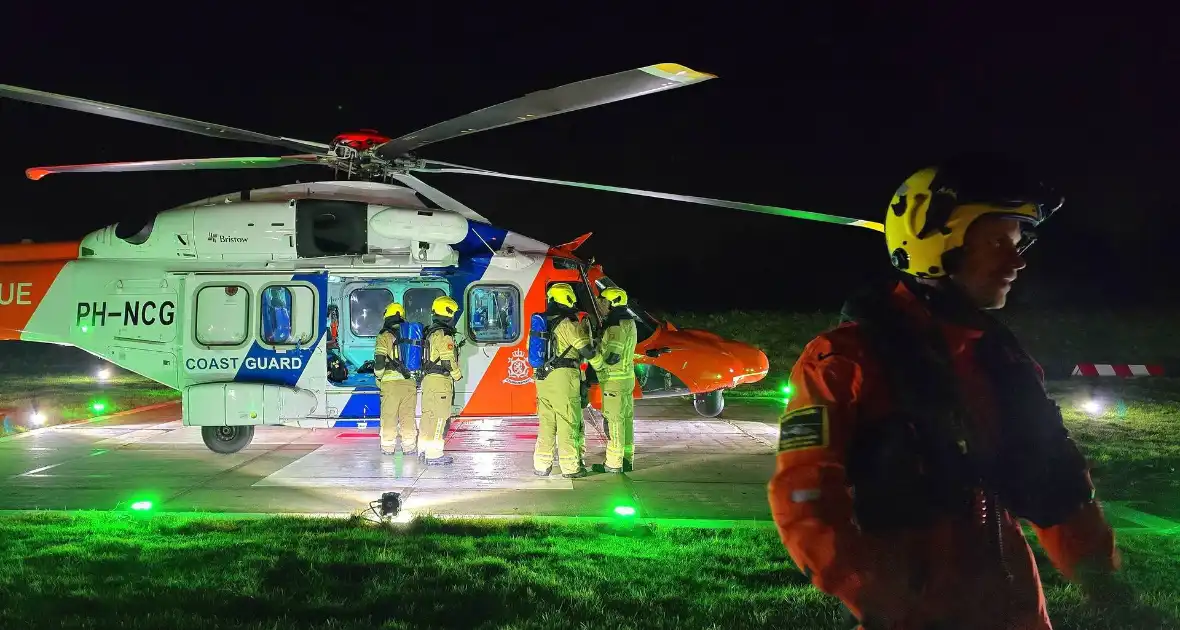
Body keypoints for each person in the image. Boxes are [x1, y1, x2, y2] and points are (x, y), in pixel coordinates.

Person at [767, 153, 1124, 630]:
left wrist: (1104, 582)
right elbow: (804, 495)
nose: (1017, 260)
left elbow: (1056, 484)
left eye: (1019, 242)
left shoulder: (1004, 361)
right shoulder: (844, 359)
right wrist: (873, 593)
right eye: (998, 240)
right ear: (934, 244)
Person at [534, 283, 596, 478]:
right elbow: (587, 350)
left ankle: (541, 465)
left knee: (546, 422)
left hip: (542, 377)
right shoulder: (567, 324)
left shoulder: (542, 322)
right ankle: (570, 467)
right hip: (563, 377)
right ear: (567, 298)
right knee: (568, 420)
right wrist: (600, 362)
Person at [589, 287, 638, 473]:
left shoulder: (615, 325)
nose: (600, 305)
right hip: (626, 379)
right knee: (626, 419)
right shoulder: (628, 321)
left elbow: (611, 357)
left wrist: (594, 360)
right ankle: (626, 459)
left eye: (603, 301)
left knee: (614, 421)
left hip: (613, 380)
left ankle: (614, 463)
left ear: (612, 303)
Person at [419, 295, 462, 465]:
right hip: (440, 382)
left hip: (428, 380)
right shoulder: (444, 335)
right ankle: (434, 453)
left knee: (427, 416)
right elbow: (447, 360)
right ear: (448, 313)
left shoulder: (431, 332)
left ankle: (423, 449)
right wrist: (457, 375)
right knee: (440, 417)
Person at [373, 302, 417, 456]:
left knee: (389, 416)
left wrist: (378, 377)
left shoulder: (384, 335)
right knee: (408, 416)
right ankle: (409, 446)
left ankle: (388, 447)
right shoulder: (409, 334)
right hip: (409, 382)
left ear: (387, 316)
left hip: (390, 383)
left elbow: (379, 362)